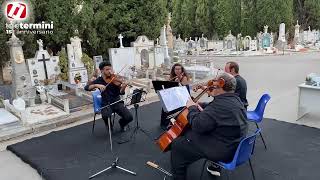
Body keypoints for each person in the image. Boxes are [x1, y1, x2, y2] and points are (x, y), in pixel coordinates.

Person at [170, 72, 248, 180]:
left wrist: (192, 108)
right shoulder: (235, 100)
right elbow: (214, 109)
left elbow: (198, 125)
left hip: (223, 150)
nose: (211, 85)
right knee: (189, 134)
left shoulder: (220, 105)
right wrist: (200, 105)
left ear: (221, 83)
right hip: (235, 145)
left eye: (214, 82)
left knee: (178, 144)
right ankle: (205, 164)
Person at [84, 62, 133, 132]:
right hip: (106, 103)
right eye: (107, 69)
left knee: (129, 117)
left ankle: (122, 124)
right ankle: (109, 125)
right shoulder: (99, 80)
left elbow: (121, 92)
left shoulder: (115, 78)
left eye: (110, 69)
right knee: (105, 115)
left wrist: (124, 86)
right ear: (102, 71)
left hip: (117, 102)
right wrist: (96, 85)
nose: (110, 71)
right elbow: (86, 87)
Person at [160, 63, 190, 129]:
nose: (177, 70)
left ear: (182, 70)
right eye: (176, 69)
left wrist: (178, 82)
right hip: (175, 95)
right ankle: (166, 122)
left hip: (183, 97)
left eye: (179, 69)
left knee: (171, 104)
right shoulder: (173, 77)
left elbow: (182, 91)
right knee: (165, 103)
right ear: (173, 70)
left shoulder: (184, 77)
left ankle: (173, 122)